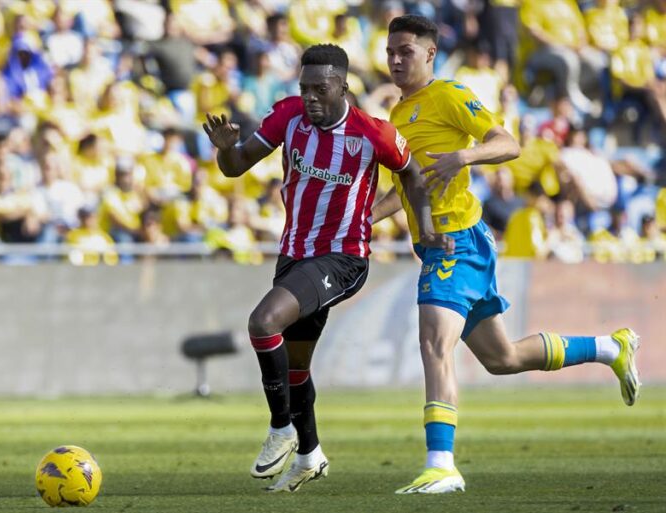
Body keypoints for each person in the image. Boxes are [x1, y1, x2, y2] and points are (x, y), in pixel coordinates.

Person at [378, 14, 641, 495]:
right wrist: (362, 220)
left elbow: (508, 143)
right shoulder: (399, 114)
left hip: (456, 244)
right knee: (503, 358)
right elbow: (409, 187)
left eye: (406, 52)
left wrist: (464, 156)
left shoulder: (451, 95)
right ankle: (611, 347)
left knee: (435, 345)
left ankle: (441, 465)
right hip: (441, 245)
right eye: (390, 51)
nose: (395, 59)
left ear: (430, 54)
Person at [202, 43, 450, 493]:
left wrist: (427, 229)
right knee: (295, 366)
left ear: (343, 87)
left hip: (343, 256)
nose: (311, 97)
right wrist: (226, 149)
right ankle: (310, 454)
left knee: (263, 321)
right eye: (305, 88)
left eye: (321, 89)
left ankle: (281, 429)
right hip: (294, 253)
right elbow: (236, 167)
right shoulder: (288, 116)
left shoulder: (372, 133)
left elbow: (412, 174)